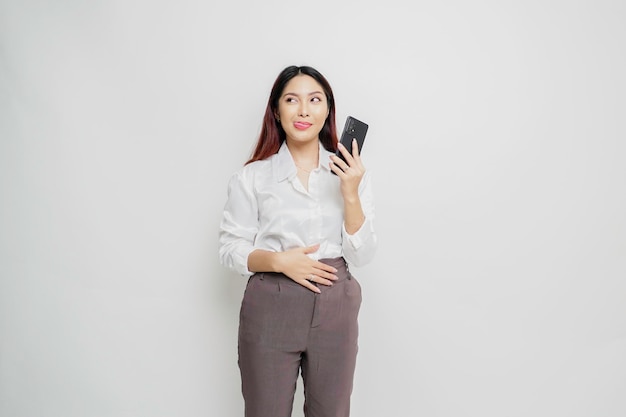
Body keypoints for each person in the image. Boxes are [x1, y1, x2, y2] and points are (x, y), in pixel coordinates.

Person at [218, 65, 377, 417]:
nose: (304, 110)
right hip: (271, 303)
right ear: (277, 110)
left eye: (314, 100)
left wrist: (350, 193)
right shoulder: (252, 177)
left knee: (331, 412)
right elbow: (230, 249)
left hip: (335, 302)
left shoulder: (349, 174)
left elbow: (362, 254)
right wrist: (278, 261)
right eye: (292, 99)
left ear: (327, 110)